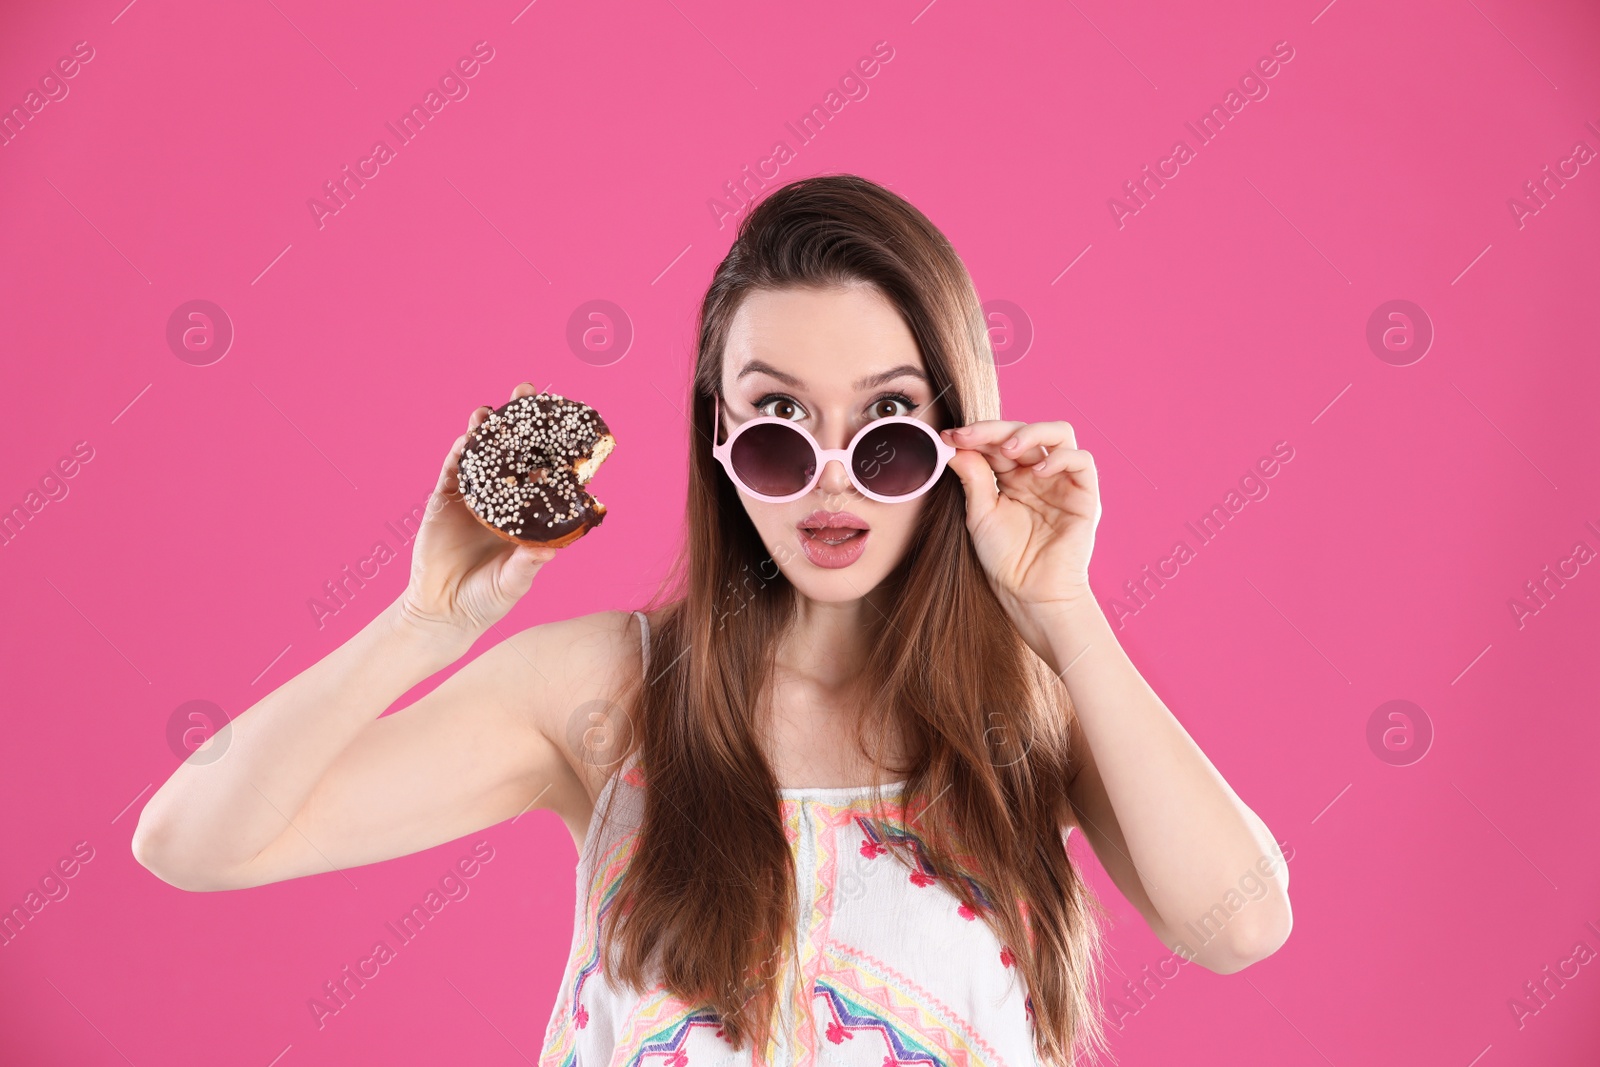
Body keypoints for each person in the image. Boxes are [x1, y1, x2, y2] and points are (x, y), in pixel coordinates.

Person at [133, 174, 1291, 1066]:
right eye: (778, 420)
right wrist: (422, 621)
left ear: (954, 434)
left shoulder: (1030, 704)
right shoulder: (609, 693)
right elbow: (191, 841)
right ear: (720, 443)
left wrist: (1061, 610)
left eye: (886, 421)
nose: (831, 479)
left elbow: (1238, 925)